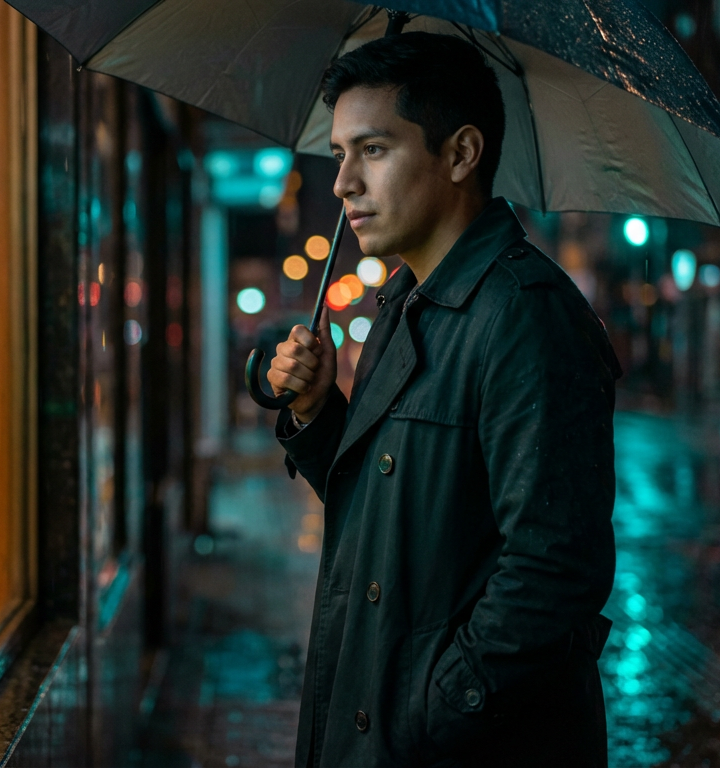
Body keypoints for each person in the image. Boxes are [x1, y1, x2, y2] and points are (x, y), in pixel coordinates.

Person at [267, 32, 621, 767]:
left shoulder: (527, 316)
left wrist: (434, 708)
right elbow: (393, 506)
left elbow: (553, 569)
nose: (343, 185)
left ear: (461, 154)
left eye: (373, 150)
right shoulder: (407, 304)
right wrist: (317, 410)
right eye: (339, 155)